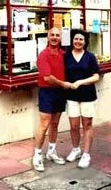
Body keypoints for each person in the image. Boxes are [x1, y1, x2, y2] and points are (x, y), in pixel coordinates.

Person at [32, 27, 71, 172]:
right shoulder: (43, 55)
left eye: (57, 35)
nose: (55, 37)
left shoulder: (63, 54)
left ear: (61, 38)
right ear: (48, 37)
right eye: (52, 35)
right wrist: (64, 84)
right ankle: (37, 155)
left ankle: (52, 151)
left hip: (60, 93)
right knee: (45, 124)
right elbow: (47, 78)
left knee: (55, 124)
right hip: (47, 92)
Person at [64, 28, 100, 169]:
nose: (78, 41)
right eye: (76, 39)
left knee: (87, 125)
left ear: (85, 42)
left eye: (81, 39)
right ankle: (75, 149)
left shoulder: (90, 57)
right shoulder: (66, 56)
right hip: (71, 96)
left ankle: (86, 154)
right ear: (72, 41)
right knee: (73, 126)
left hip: (87, 96)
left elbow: (96, 76)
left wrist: (80, 82)